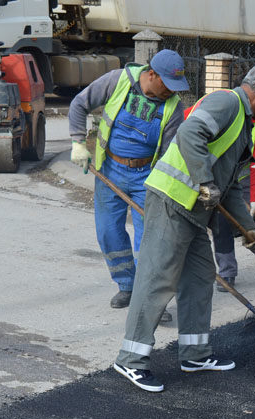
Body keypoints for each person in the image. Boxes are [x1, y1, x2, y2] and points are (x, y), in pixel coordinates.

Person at [113, 63, 255, 392]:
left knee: (200, 276)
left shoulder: (245, 122)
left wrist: (249, 230)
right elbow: (190, 133)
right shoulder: (226, 103)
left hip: (192, 211)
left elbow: (232, 186)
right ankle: (130, 359)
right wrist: (205, 181)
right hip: (170, 200)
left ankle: (194, 354)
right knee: (157, 278)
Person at [68, 49, 188, 322]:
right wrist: (77, 142)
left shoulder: (174, 107)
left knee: (150, 241)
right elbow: (78, 104)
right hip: (109, 170)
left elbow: (170, 153)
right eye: (167, 85)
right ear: (151, 74)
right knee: (108, 233)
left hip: (147, 176)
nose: (171, 92)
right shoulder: (117, 80)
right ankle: (126, 286)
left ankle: (150, 299)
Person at [208, 113, 255, 291]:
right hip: (217, 176)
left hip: (247, 179)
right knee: (221, 225)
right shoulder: (222, 111)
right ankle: (227, 273)